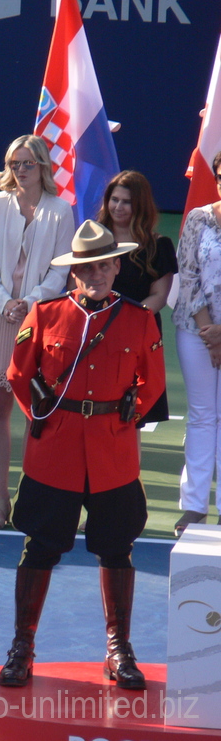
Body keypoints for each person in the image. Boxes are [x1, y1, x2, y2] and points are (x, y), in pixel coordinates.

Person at [1, 220, 165, 691]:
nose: (96, 275)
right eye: (87, 268)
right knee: (41, 547)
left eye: (105, 265)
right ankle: (22, 647)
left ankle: (119, 649)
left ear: (117, 266)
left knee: (117, 549)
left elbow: (151, 384)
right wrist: (42, 416)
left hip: (112, 452)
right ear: (75, 273)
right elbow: (19, 374)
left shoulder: (139, 318)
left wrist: (123, 419)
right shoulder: (46, 313)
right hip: (56, 449)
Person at [0, 136, 74, 530]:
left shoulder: (61, 211)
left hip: (42, 320)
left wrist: (28, 303)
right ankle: (0, 500)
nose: (21, 170)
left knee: (37, 411)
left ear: (43, 166)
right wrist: (5, 303)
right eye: (15, 163)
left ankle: (32, 496)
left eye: (28, 163)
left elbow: (60, 271)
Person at [96, 171, 177, 438]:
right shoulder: (94, 240)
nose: (118, 207)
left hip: (138, 336)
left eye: (126, 202)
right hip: (97, 334)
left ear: (140, 205)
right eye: (114, 200)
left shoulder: (158, 245)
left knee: (131, 416)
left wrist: (125, 320)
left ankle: (128, 479)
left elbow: (159, 296)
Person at [173, 151, 221, 535]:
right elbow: (187, 277)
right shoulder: (197, 218)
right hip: (195, 331)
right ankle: (194, 506)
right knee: (202, 414)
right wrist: (211, 332)